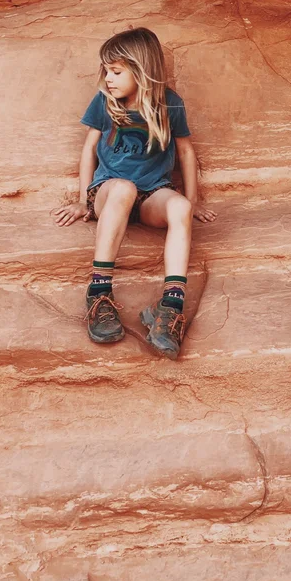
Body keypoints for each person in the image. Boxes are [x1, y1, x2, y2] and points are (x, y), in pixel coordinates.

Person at [51, 27, 216, 358]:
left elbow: (186, 152)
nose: (108, 79)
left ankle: (169, 308)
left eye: (116, 72)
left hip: (152, 194)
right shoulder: (105, 101)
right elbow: (89, 149)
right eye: (106, 71)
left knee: (180, 208)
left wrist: (193, 201)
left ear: (141, 71)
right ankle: (99, 293)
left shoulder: (170, 104)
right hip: (110, 193)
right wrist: (83, 200)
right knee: (124, 188)